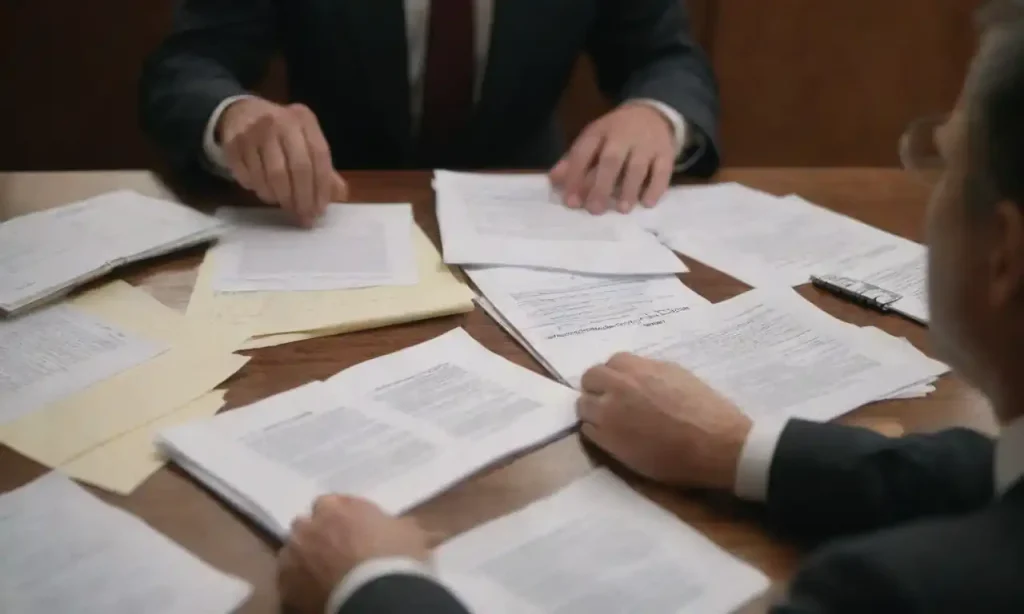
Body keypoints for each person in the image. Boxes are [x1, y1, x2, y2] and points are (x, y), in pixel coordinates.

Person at [274, 2, 1024, 612]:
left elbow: (667, 54)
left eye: (943, 161)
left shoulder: (883, 593)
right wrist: (736, 450)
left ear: (1005, 255)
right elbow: (982, 471)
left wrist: (374, 590)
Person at [140, 0, 718, 227]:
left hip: (538, 211)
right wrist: (233, 117)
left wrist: (655, 114)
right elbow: (189, 64)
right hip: (327, 208)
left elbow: (666, 58)